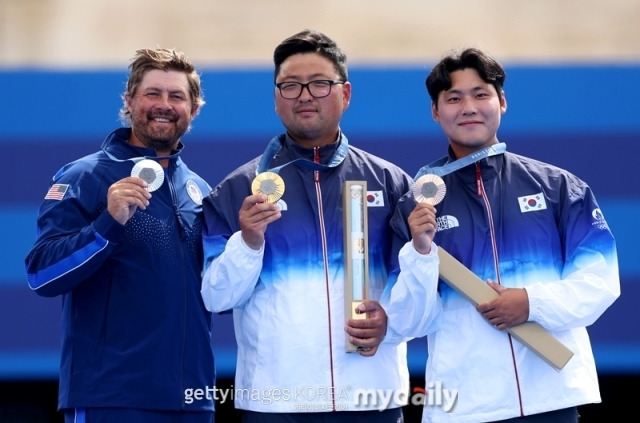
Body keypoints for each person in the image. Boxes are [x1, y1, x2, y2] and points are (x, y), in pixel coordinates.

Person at [384, 47, 621, 422]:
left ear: (502, 101)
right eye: (454, 98)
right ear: (435, 111)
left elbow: (600, 283)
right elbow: (408, 321)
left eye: (481, 94)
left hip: (551, 397)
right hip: (464, 404)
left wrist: (530, 301)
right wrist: (421, 252)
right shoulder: (415, 205)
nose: (469, 107)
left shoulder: (559, 187)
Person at [200, 29, 420, 422]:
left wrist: (393, 319)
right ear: (275, 99)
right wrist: (248, 242)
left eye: (319, 84)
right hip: (277, 400)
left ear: (346, 94)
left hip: (371, 395)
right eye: (290, 86)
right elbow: (216, 298)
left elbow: (418, 287)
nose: (304, 95)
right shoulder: (238, 189)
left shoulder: (390, 183)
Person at [25, 48, 215, 423]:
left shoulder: (200, 190)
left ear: (193, 110)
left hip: (193, 400)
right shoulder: (84, 177)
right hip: (111, 397)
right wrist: (108, 222)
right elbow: (40, 274)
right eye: (152, 93)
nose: (164, 105)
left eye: (177, 96)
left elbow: (217, 292)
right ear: (129, 102)